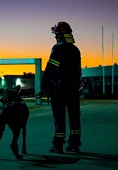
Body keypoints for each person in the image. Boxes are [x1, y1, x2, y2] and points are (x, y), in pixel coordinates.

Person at [40, 21, 82, 153]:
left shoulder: (58, 48)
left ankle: (58, 145)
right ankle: (74, 144)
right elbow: (77, 71)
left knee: (59, 118)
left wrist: (43, 87)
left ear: (59, 34)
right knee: (74, 117)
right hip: (73, 89)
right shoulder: (75, 49)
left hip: (59, 90)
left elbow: (50, 69)